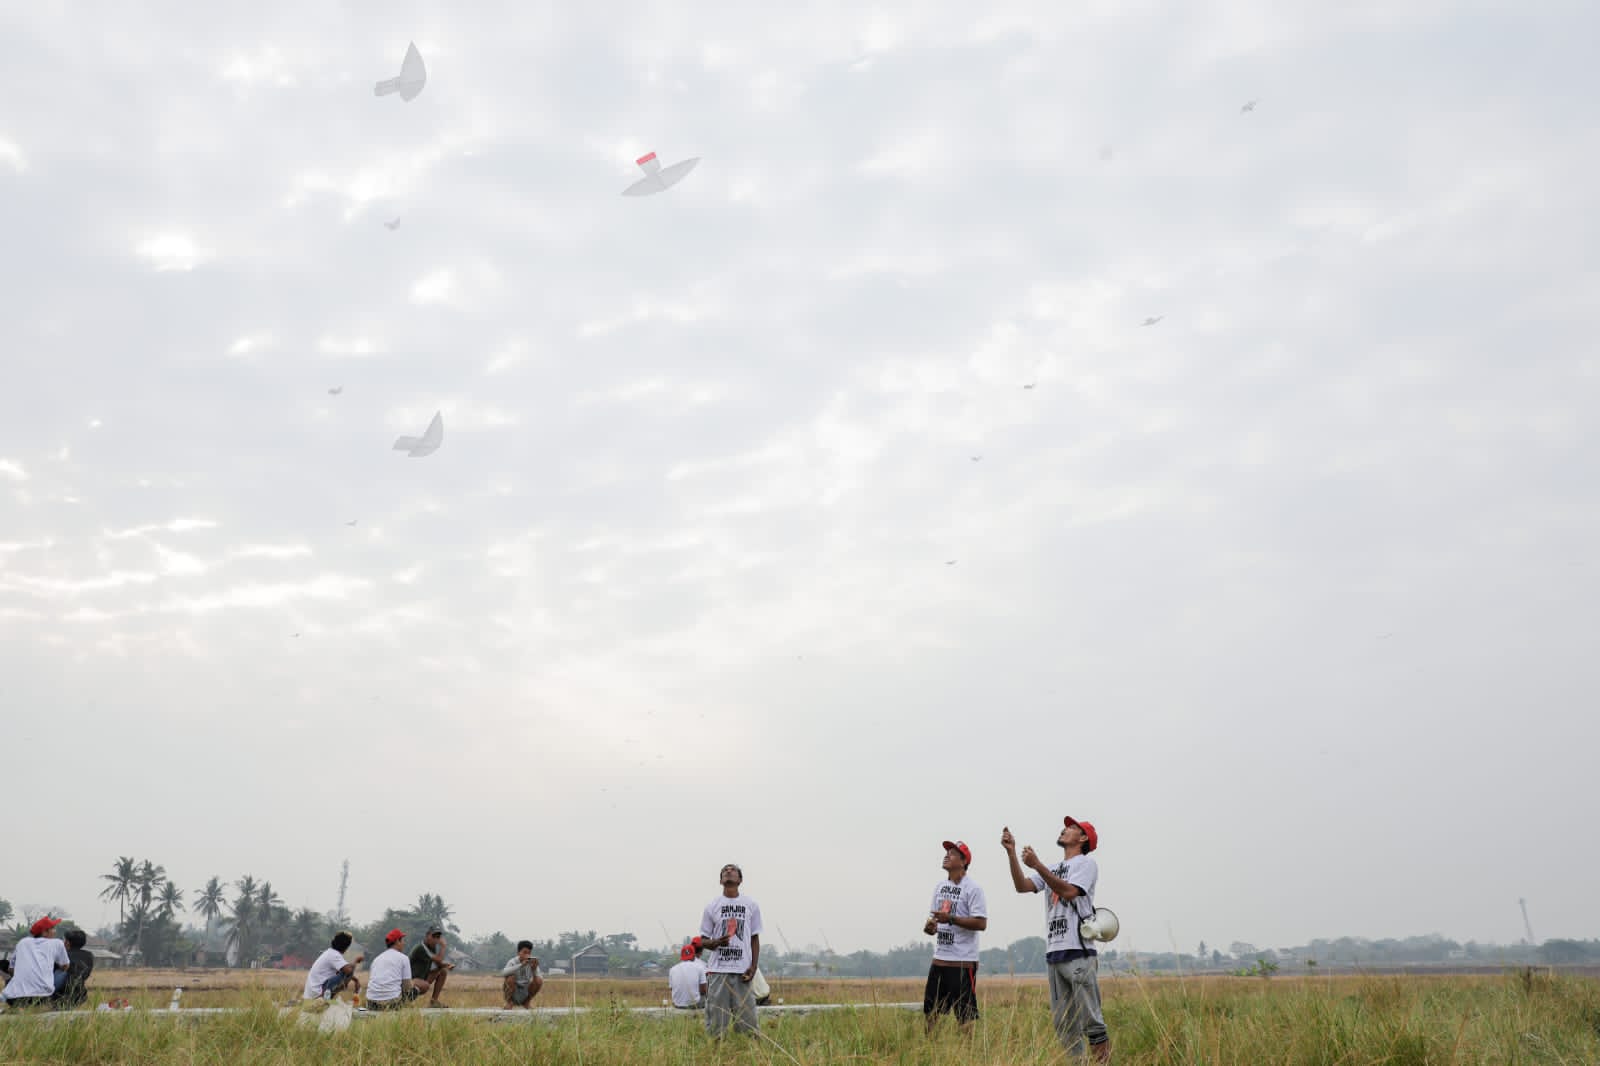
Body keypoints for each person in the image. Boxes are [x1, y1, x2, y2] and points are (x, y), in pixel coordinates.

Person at [1003, 817, 1111, 1062]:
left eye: (1072, 828)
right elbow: (1022, 886)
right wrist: (1011, 853)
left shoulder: (1086, 864)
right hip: (1054, 953)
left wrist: (1037, 864)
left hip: (1078, 951)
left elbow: (1070, 891)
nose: (1065, 829)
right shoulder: (1053, 867)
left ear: (1083, 839)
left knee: (1092, 1021)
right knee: (1064, 1026)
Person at [922, 839, 988, 1035]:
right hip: (940, 958)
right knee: (931, 1012)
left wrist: (951, 919)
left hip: (962, 961)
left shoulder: (973, 889)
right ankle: (930, 1051)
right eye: (946, 852)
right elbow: (935, 921)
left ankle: (967, 1055)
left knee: (965, 1016)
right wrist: (931, 927)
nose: (946, 855)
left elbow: (981, 923)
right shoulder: (940, 887)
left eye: (952, 853)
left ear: (963, 860)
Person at [697, 862, 763, 1039]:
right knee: (717, 1025)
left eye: (732, 870)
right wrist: (716, 942)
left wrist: (753, 966)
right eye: (725, 871)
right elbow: (702, 940)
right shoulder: (712, 906)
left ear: (740, 880)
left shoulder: (751, 905)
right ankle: (717, 1054)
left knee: (748, 1023)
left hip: (742, 972)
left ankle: (748, 1052)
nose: (728, 871)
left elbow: (754, 938)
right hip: (718, 972)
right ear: (720, 881)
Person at [2, 917, 70, 1009]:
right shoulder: (57, 943)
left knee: (11, 974)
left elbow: (11, 969)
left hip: (13, 997)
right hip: (41, 997)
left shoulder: (23, 942)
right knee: (64, 972)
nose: (55, 931)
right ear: (45, 932)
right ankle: (57, 1002)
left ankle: (17, 1005)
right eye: (53, 929)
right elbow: (65, 966)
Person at [364, 929, 429, 1011]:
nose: (404, 943)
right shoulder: (403, 958)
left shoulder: (376, 959)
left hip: (371, 1003)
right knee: (419, 987)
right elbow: (407, 987)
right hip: (392, 1003)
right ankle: (403, 1008)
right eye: (402, 941)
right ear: (398, 941)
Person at [302, 931, 362, 1002]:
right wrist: (356, 961)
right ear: (346, 947)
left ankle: (325, 999)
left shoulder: (330, 952)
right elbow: (348, 971)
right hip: (317, 992)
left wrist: (356, 980)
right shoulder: (334, 955)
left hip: (312, 992)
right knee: (347, 973)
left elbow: (343, 970)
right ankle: (324, 999)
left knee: (344, 972)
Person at [408, 927, 454, 1008]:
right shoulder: (421, 948)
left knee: (443, 971)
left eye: (438, 937)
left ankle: (433, 1002)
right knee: (425, 985)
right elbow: (439, 959)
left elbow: (439, 963)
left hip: (422, 978)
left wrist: (447, 965)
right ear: (427, 936)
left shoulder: (432, 948)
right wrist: (443, 946)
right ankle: (406, 1001)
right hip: (410, 980)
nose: (436, 939)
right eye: (434, 936)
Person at [51, 929, 95, 1009]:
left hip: (59, 993)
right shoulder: (89, 956)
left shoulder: (62, 955)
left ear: (67, 943)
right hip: (80, 993)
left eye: (64, 940)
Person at [500, 941, 543, 1009]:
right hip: (514, 989)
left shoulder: (532, 962)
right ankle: (509, 1002)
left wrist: (534, 969)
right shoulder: (513, 961)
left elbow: (539, 980)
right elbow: (503, 973)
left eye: (529, 953)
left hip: (526, 989)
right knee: (510, 978)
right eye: (524, 952)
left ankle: (527, 1002)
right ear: (518, 953)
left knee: (539, 980)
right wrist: (521, 965)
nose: (527, 955)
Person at [668, 938, 708, 1009]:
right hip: (694, 1005)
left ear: (682, 957)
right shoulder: (700, 967)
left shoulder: (672, 969)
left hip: (677, 1005)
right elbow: (703, 991)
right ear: (693, 956)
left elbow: (672, 989)